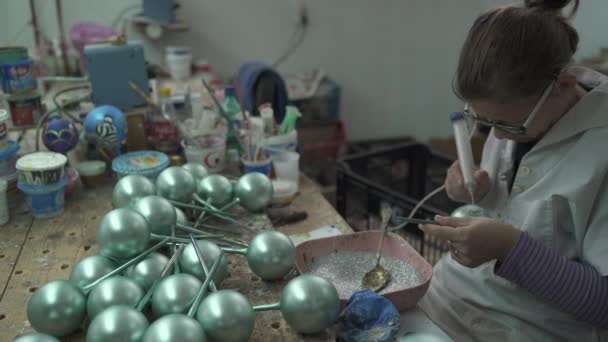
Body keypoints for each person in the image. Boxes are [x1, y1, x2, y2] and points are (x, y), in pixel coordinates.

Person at [417, 0, 608, 341]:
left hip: (525, 329)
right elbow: (522, 204)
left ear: (563, 85)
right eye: (483, 120)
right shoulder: (522, 113)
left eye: (506, 124)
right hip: (449, 296)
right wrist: (473, 191)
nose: (497, 134)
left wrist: (510, 248)